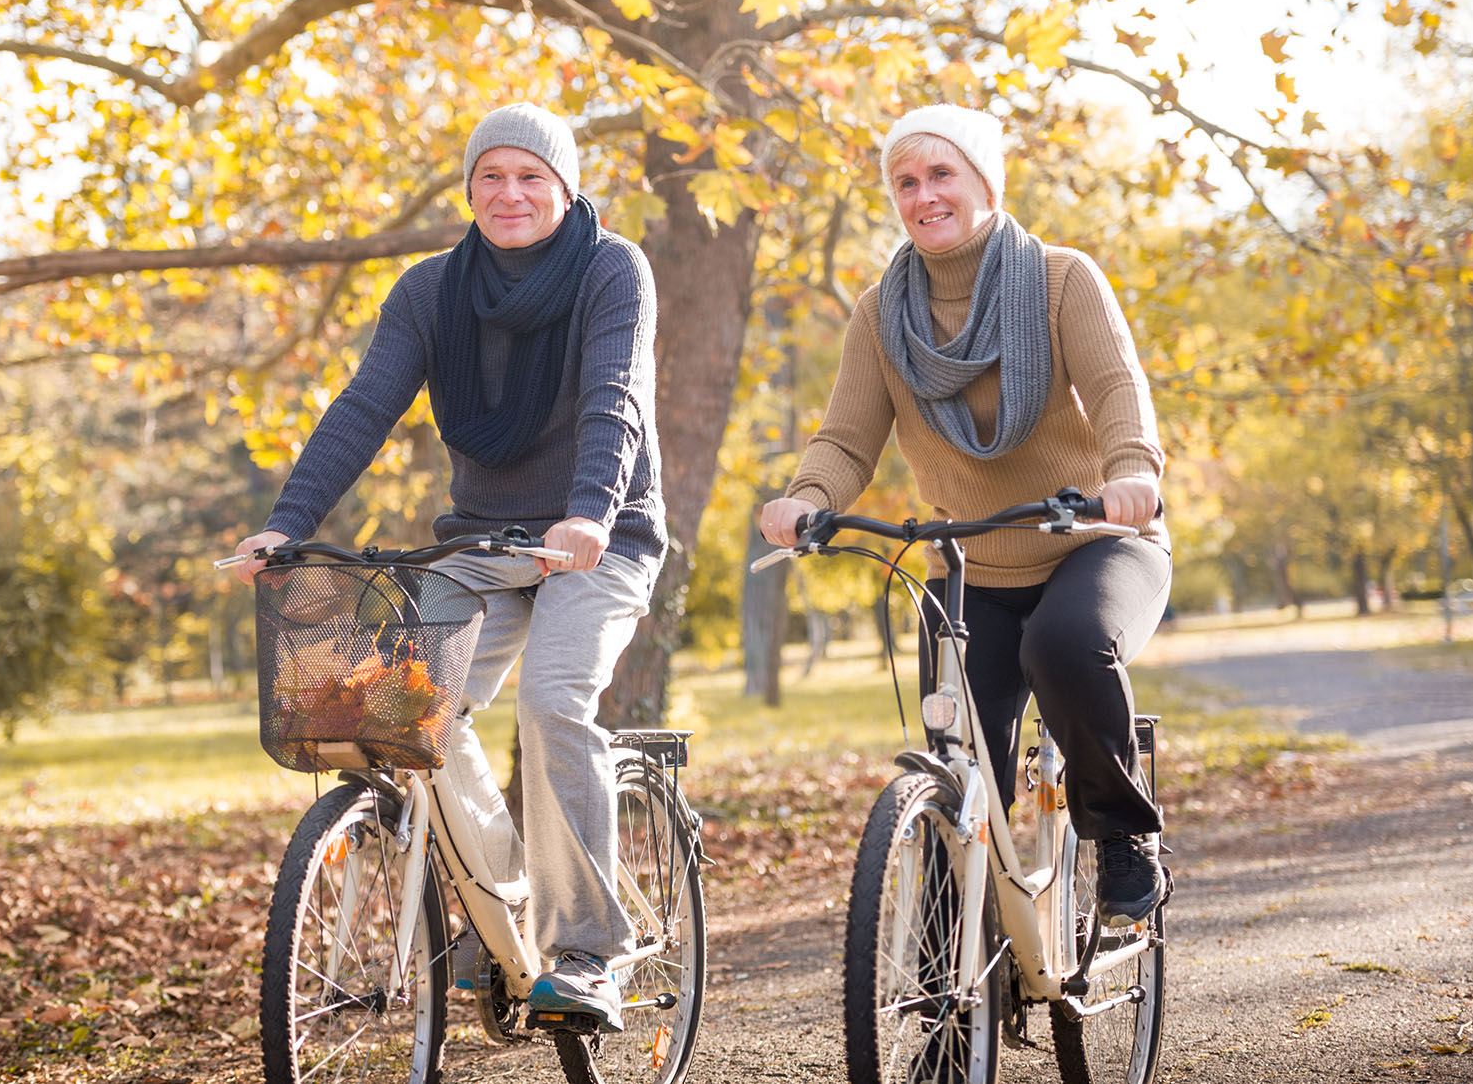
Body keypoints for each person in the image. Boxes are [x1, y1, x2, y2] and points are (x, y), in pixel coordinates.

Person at [230, 102, 666, 1029]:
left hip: (598, 537)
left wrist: (591, 510)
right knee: (396, 709)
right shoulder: (431, 291)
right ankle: (499, 896)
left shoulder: (610, 270)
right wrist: (288, 525)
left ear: (566, 186)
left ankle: (589, 951)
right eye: (491, 177)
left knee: (554, 703)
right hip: (481, 540)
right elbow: (362, 409)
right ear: (469, 190)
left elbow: (615, 400)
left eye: (531, 177)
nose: (510, 194)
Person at [758, 103, 1173, 924]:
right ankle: (948, 986)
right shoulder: (882, 313)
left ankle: (1124, 834)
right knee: (955, 769)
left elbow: (1120, 389)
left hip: (1095, 540)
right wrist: (808, 500)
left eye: (941, 174)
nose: (923, 196)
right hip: (971, 564)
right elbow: (846, 438)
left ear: (984, 182)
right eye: (905, 183)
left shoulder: (1062, 278)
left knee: (1064, 642)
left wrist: (1131, 472)